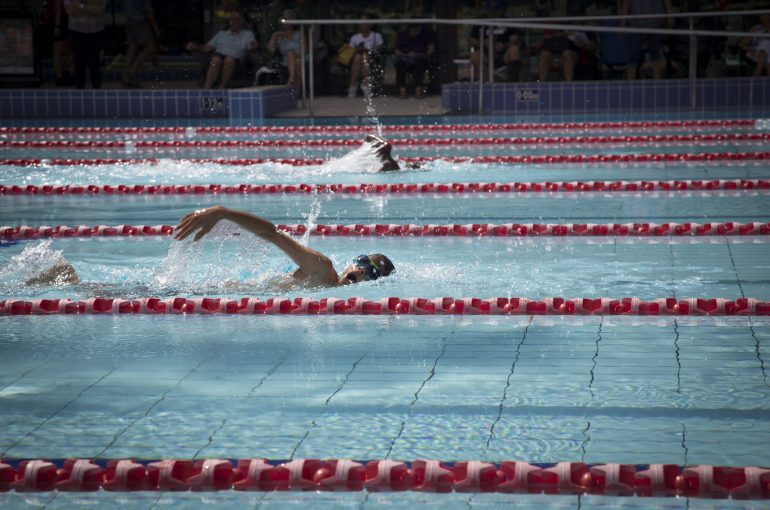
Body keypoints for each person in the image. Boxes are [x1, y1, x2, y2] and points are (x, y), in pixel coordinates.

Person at [28, 206, 396, 289]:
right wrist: (221, 212)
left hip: (221, 295)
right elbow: (272, 235)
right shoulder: (324, 270)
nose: (364, 270)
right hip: (211, 294)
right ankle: (65, 278)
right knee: (108, 294)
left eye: (371, 270)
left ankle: (66, 279)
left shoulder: (329, 286)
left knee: (107, 293)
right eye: (365, 262)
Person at [186, 11, 257, 89]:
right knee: (216, 59)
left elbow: (252, 47)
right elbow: (206, 47)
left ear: (242, 22)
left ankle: (222, 88)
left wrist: (254, 46)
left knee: (229, 60)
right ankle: (207, 88)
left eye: (235, 20)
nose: (232, 22)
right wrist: (195, 46)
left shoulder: (248, 34)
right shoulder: (222, 34)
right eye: (230, 20)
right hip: (219, 56)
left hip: (236, 59)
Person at [621, 0, 674, 80]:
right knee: (633, 54)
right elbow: (626, 2)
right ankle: (630, 84)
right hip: (636, 23)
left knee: (655, 53)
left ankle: (657, 83)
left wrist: (670, 15)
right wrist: (623, 22)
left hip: (655, 22)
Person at [63, 0, 107, 89]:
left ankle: (97, 91)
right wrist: (90, 5)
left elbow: (100, 9)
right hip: (76, 31)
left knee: (95, 63)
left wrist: (80, 5)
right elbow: (69, 10)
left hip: (96, 31)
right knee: (79, 63)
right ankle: (80, 91)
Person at [120, 0, 161, 88]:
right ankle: (132, 72)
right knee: (151, 47)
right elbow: (150, 12)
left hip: (129, 20)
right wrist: (156, 29)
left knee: (132, 48)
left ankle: (125, 76)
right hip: (140, 21)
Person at [393, 23, 436, 98]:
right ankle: (402, 90)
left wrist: (420, 54)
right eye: (412, 29)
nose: (414, 32)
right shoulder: (403, 35)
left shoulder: (425, 35)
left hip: (420, 58)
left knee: (420, 64)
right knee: (399, 64)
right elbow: (396, 50)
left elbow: (431, 49)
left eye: (416, 29)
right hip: (405, 58)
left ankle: (418, 90)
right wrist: (405, 55)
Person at [346, 15, 384, 98]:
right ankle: (355, 85)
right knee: (358, 57)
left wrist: (367, 49)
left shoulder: (376, 36)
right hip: (356, 61)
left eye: (364, 23)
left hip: (372, 59)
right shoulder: (355, 37)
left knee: (364, 57)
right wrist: (358, 49)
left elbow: (380, 49)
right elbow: (350, 52)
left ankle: (364, 85)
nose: (362, 25)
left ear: (370, 24)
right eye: (360, 23)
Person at [267, 9, 306, 88]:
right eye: (284, 19)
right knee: (297, 62)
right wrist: (274, 36)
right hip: (286, 60)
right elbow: (271, 50)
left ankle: (291, 80)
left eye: (288, 19)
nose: (285, 22)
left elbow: (305, 49)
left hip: (301, 56)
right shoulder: (279, 36)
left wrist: (295, 55)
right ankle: (298, 92)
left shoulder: (299, 33)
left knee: (292, 55)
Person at [739, 13, 770, 77]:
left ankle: (755, 77)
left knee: (766, 49)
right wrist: (750, 49)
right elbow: (741, 44)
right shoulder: (756, 28)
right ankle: (757, 75)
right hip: (756, 52)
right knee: (765, 45)